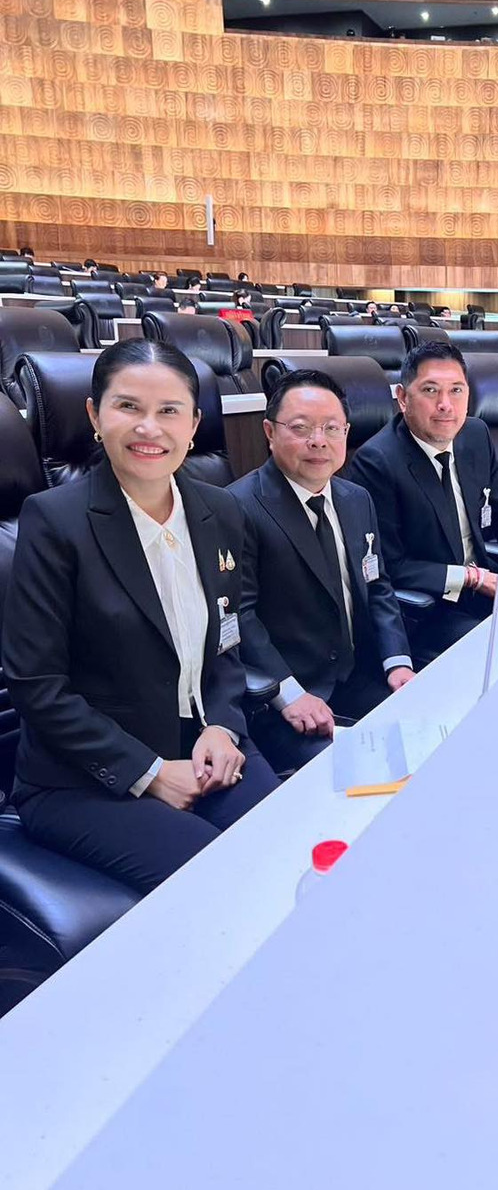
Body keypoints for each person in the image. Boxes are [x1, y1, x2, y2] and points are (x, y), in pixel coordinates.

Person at [1, 339, 281, 895]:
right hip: (85, 777)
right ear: (94, 416)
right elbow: (37, 685)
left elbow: (226, 643)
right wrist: (148, 772)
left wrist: (223, 725)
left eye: (169, 410)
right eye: (128, 406)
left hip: (200, 745)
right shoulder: (54, 521)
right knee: (222, 884)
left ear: (194, 424)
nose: (149, 428)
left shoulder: (222, 510)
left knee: (288, 843)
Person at [229, 370, 414, 774]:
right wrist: (288, 693)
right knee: (361, 778)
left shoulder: (356, 498)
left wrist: (396, 661)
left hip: (361, 675)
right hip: (288, 695)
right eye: (301, 428)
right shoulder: (237, 507)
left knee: (431, 741)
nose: (318, 440)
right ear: (270, 432)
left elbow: (377, 585)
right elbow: (239, 616)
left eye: (332, 428)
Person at [348, 342, 498, 666]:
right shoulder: (377, 462)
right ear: (403, 398)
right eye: (430, 390)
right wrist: (471, 578)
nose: (445, 405)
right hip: (430, 608)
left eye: (456, 390)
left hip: (487, 587)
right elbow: (388, 564)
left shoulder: (475, 434)